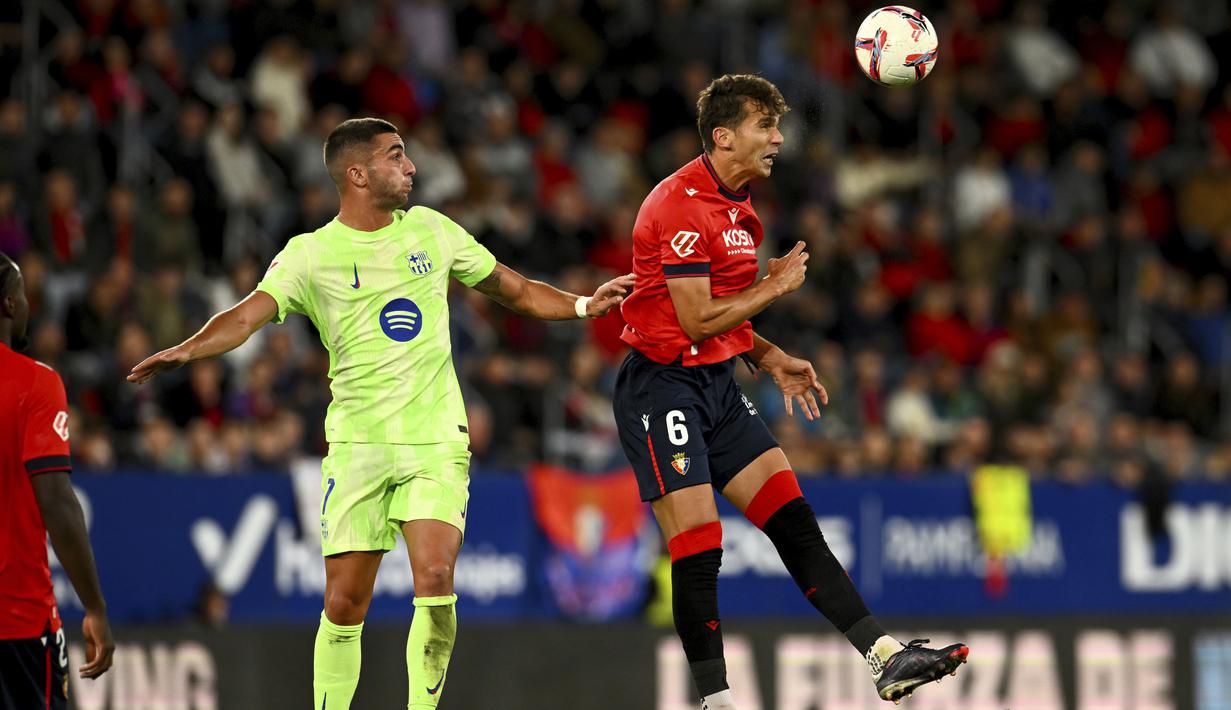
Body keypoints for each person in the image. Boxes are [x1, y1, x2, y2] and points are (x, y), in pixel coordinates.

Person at [127, 117, 632, 710]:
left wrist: (579, 304)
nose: (411, 167)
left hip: (434, 437)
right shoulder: (310, 255)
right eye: (396, 157)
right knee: (344, 604)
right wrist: (188, 348)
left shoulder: (434, 231)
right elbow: (245, 316)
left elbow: (514, 289)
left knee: (436, 578)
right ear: (357, 173)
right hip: (358, 445)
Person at [612, 75, 967, 709]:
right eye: (764, 126)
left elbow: (723, 316)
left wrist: (771, 356)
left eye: (777, 126)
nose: (778, 138)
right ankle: (715, 700)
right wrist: (774, 289)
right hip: (660, 386)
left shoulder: (741, 208)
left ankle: (885, 657)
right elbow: (694, 318)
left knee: (794, 519)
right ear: (724, 137)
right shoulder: (679, 205)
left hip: (715, 385)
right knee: (700, 543)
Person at [0, 252, 114, 708]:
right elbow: (58, 503)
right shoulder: (35, 383)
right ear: (9, 305)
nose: (29, 305)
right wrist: (96, 608)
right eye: (23, 294)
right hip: (18, 622)